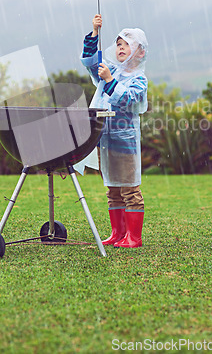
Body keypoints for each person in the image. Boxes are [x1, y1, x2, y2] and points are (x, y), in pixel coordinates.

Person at [81, 14, 148, 248]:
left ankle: (134, 237)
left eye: (127, 44)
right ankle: (118, 233)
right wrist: (94, 34)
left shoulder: (139, 79)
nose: (120, 47)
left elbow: (127, 99)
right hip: (105, 139)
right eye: (118, 44)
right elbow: (90, 63)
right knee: (112, 188)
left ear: (140, 52)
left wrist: (109, 81)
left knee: (129, 188)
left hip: (125, 142)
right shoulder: (111, 71)